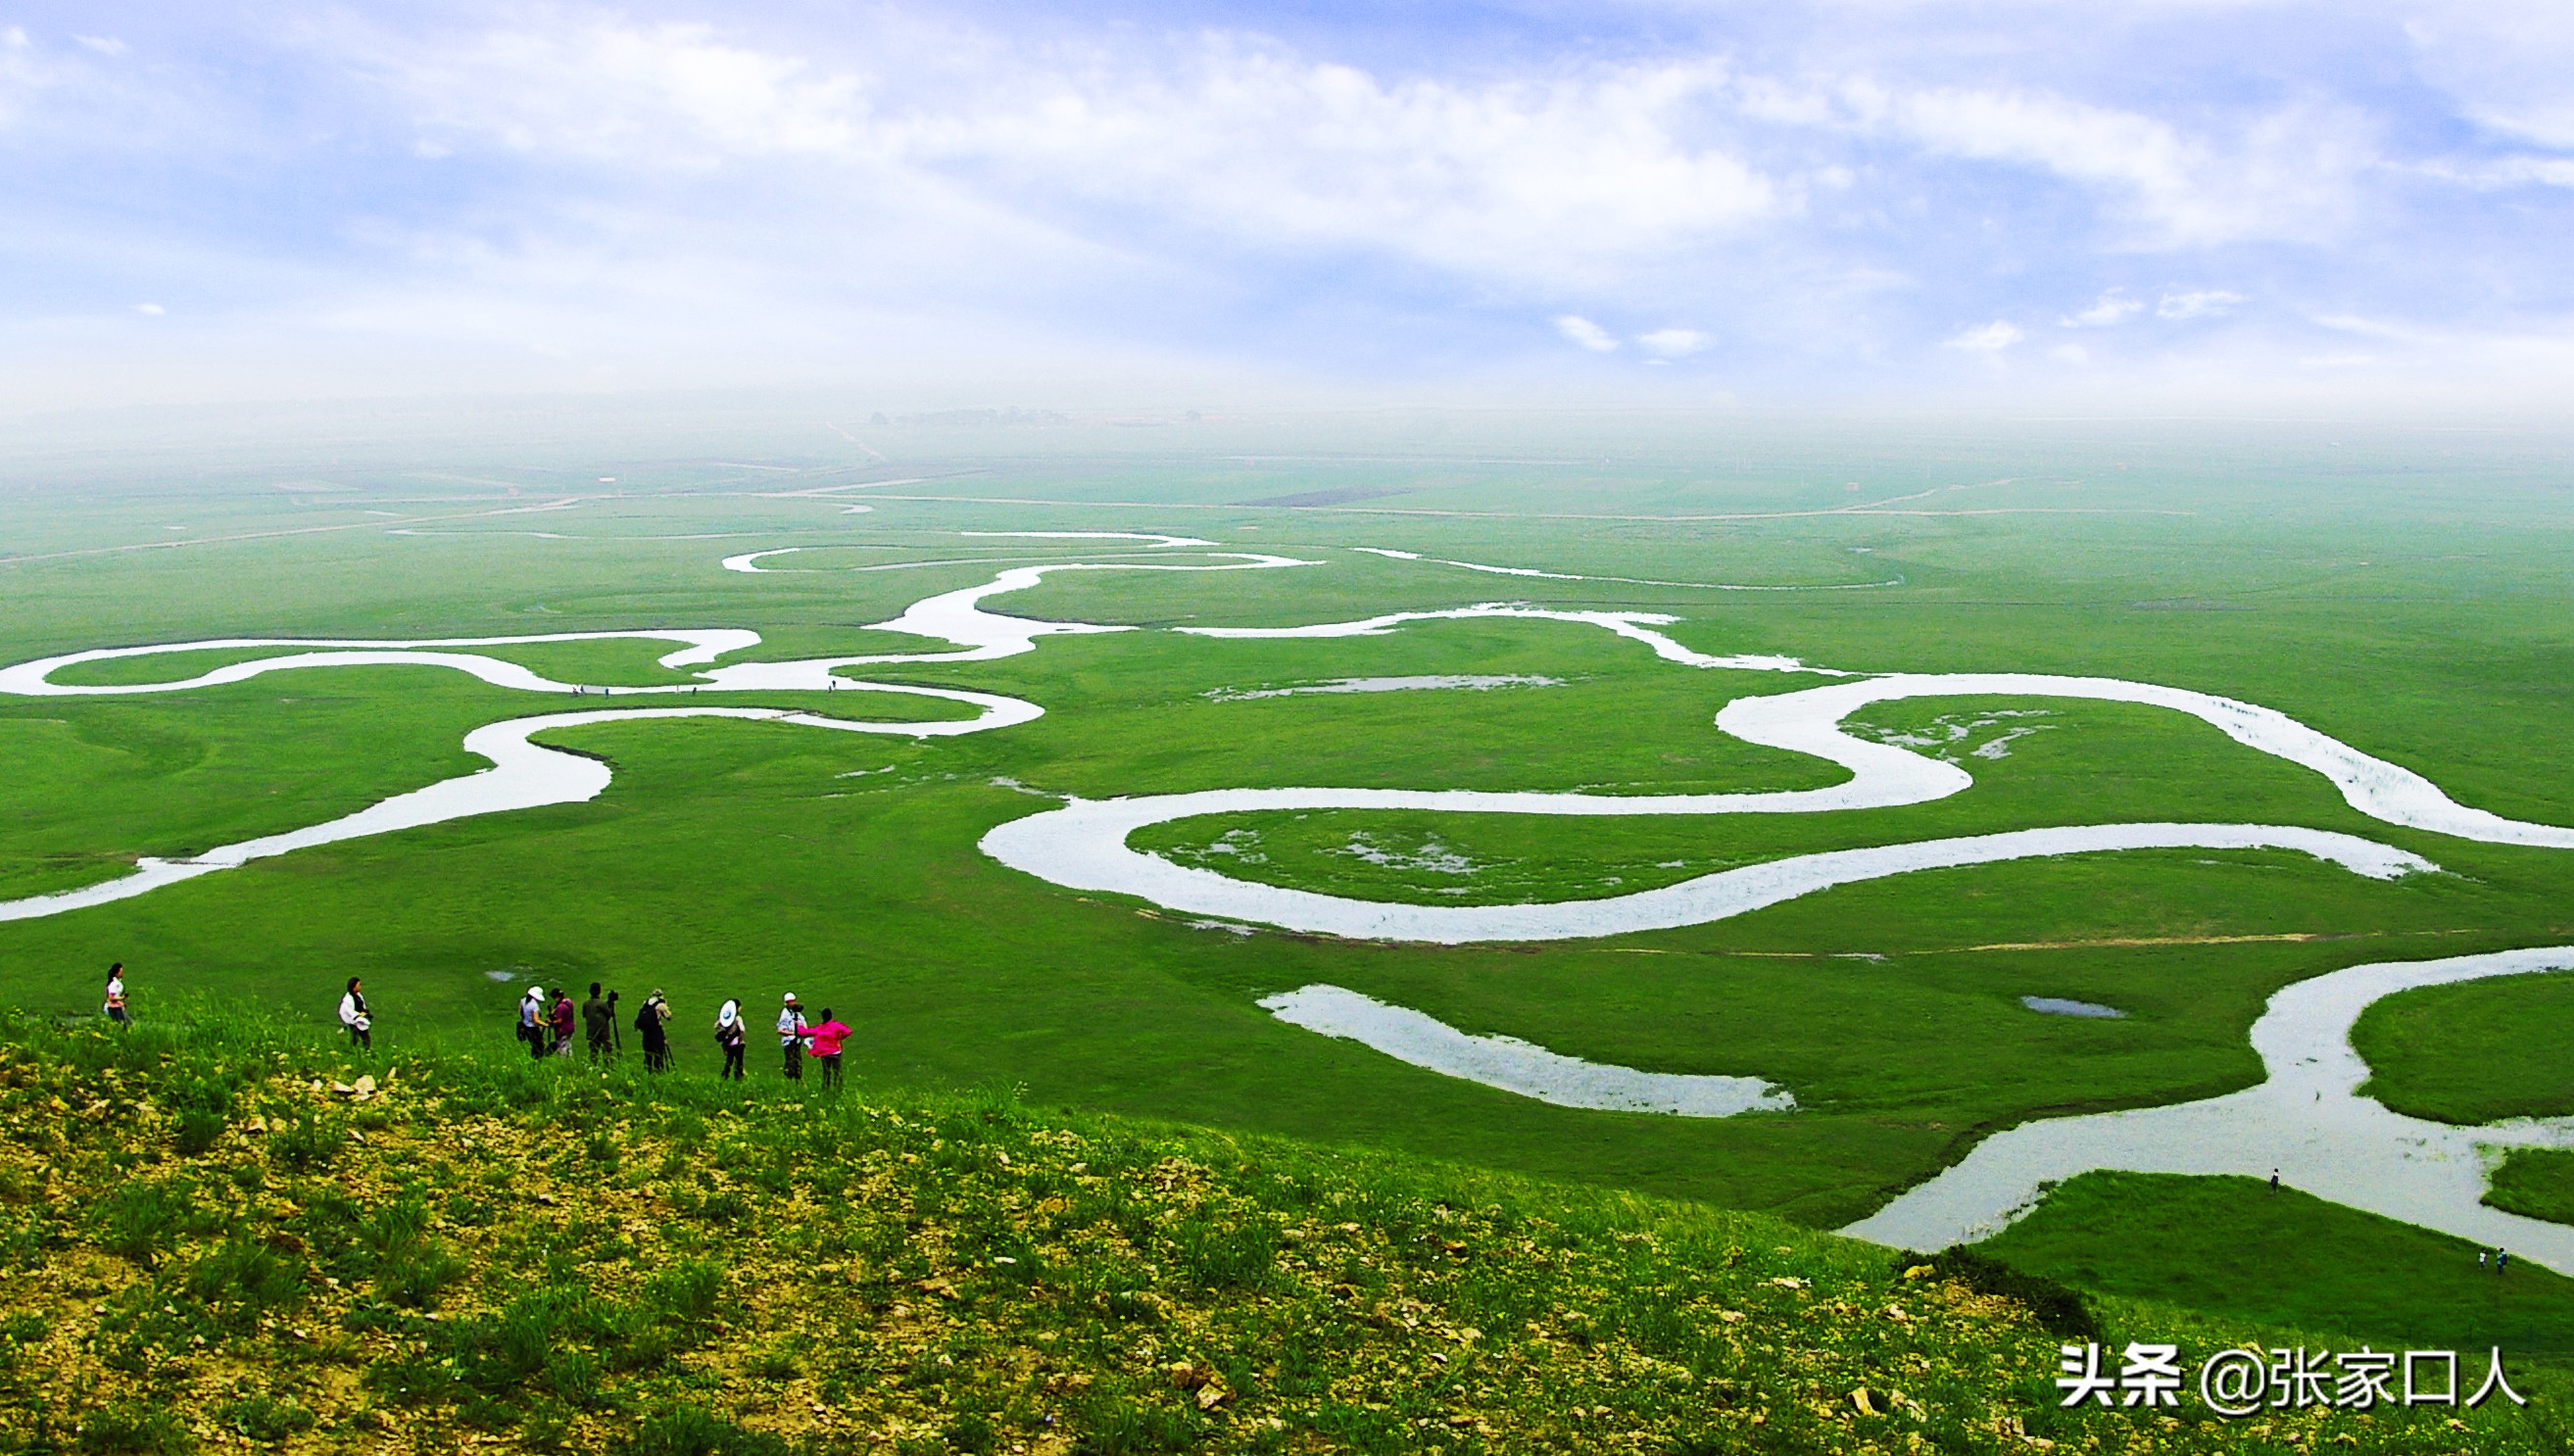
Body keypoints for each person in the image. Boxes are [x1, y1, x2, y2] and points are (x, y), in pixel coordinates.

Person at [804, 1007, 851, 1091]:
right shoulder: (836, 1025)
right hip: (835, 1052)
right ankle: (839, 1088)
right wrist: (839, 1038)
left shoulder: (819, 1028)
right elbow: (848, 1031)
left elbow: (807, 1032)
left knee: (826, 1072)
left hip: (825, 1053)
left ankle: (825, 1089)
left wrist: (797, 1026)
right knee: (837, 1071)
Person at [637, 990, 672, 1072]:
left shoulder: (646, 1003)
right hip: (656, 1031)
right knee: (658, 1052)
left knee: (648, 1052)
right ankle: (658, 1070)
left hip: (646, 1032)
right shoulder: (661, 1005)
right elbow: (669, 1017)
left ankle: (648, 1069)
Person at [777, 994, 808, 1081]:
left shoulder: (797, 1013)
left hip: (797, 1041)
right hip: (789, 1042)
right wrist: (792, 1033)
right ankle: (790, 1078)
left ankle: (798, 1079)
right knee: (791, 1062)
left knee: (798, 1061)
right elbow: (780, 1030)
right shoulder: (785, 1014)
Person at [714, 999, 747, 1081]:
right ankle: (738, 1077)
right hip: (737, 1043)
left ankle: (725, 1076)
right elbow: (742, 1029)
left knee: (729, 1061)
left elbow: (716, 1026)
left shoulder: (726, 1020)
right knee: (739, 1061)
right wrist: (741, 1039)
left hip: (728, 1044)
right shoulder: (737, 1018)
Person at [583, 983, 615, 1061]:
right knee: (607, 1049)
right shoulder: (601, 1003)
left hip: (591, 1031)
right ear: (599, 991)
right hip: (603, 1030)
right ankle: (608, 1066)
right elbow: (610, 1013)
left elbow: (584, 1015)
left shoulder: (586, 1004)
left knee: (593, 1051)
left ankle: (594, 1067)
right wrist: (610, 1004)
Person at [340, 977, 372, 1052]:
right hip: (353, 1020)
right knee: (356, 1037)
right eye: (358, 985)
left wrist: (366, 1013)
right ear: (354, 987)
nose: (360, 987)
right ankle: (352, 1051)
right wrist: (360, 1015)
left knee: (366, 1037)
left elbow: (363, 1007)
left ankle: (367, 1051)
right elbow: (349, 1012)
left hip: (360, 1019)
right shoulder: (348, 999)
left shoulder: (359, 996)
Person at [519, 986, 548, 1060]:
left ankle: (533, 1059)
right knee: (539, 1047)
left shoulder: (523, 1000)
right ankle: (537, 1061)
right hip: (533, 1029)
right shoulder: (534, 1005)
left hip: (525, 1026)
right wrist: (547, 1025)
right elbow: (536, 1020)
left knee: (533, 1045)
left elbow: (521, 1012)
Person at [551, 988, 576, 1056]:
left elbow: (559, 1020)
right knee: (569, 1046)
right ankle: (570, 1062)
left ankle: (563, 1063)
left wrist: (551, 1022)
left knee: (562, 1049)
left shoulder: (560, 1007)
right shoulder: (568, 1001)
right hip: (570, 1027)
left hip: (563, 1030)